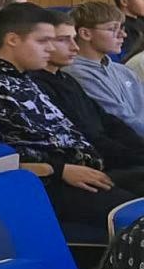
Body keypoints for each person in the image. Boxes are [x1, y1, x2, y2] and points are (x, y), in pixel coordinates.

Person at [0, 3, 144, 248]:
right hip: (44, 185)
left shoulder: (23, 78)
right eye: (43, 41)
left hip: (78, 172)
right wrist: (59, 169)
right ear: (13, 39)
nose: (50, 49)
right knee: (136, 216)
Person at [30, 16, 144, 171]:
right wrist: (137, 156)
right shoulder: (40, 84)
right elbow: (87, 134)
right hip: (95, 163)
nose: (74, 47)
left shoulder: (66, 78)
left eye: (73, 39)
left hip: (117, 154)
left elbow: (108, 120)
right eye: (63, 40)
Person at [62, 1, 144, 139]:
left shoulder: (124, 71)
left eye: (122, 28)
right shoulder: (76, 73)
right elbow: (119, 120)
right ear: (85, 33)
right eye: (113, 29)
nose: (123, 35)